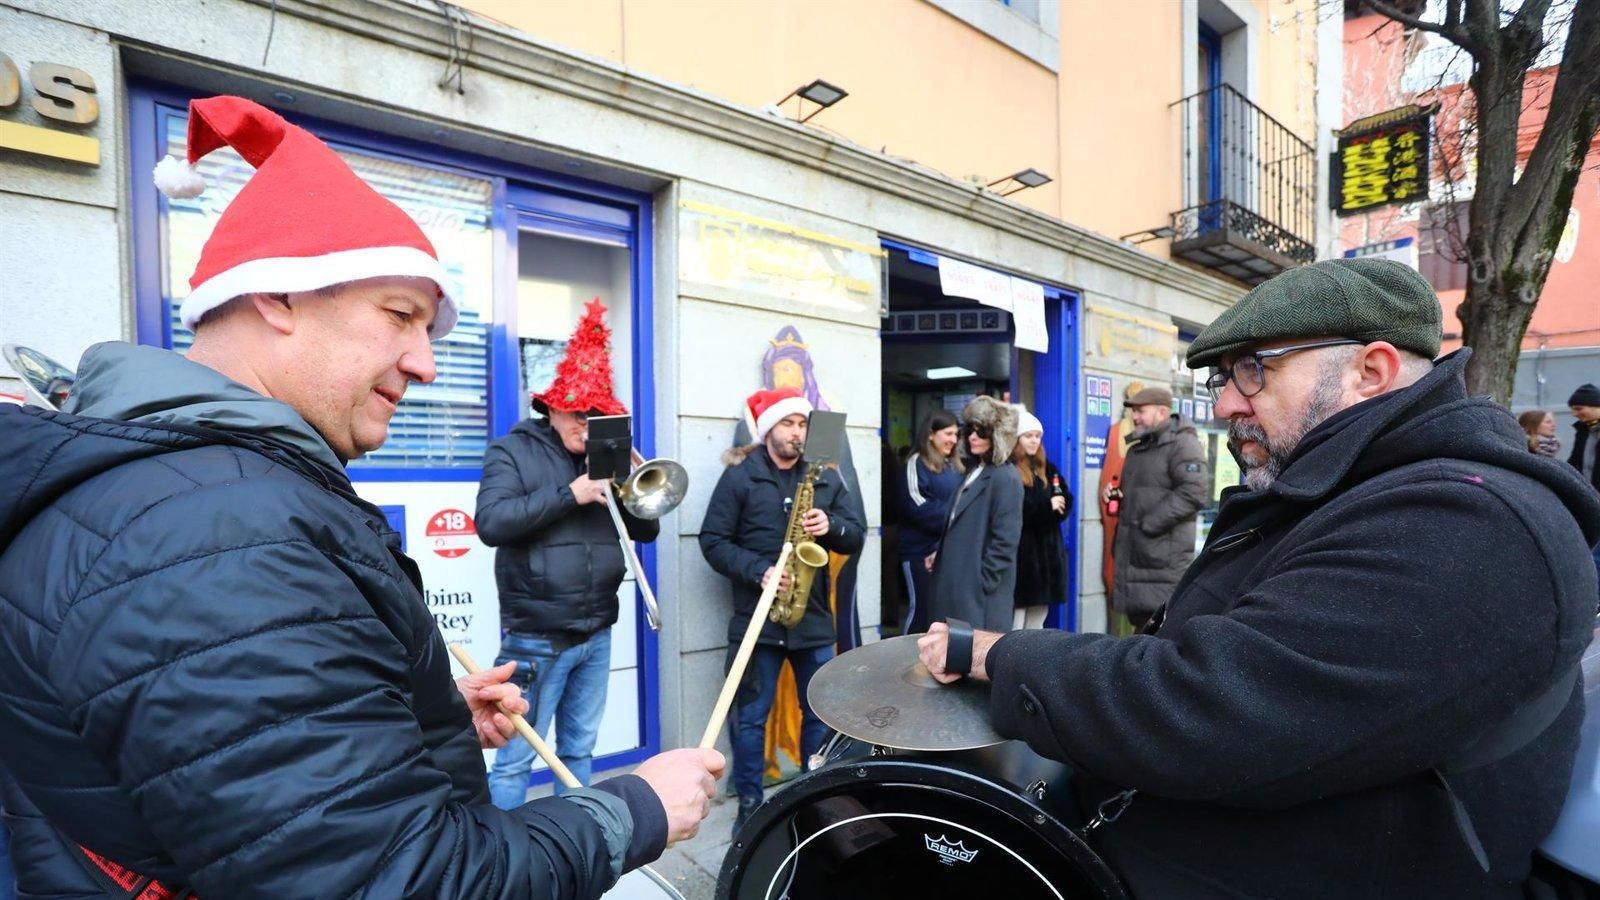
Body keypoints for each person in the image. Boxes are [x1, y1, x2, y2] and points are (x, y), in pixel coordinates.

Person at [0, 96, 722, 899]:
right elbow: (399, 880)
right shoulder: (217, 535)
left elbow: (255, 765)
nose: (426, 364)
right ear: (277, 295)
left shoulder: (199, 506)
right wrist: (635, 811)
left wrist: (420, 718)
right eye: (400, 317)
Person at [917, 257, 1599, 898]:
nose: (1226, 406)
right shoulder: (1356, 488)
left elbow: (1209, 708)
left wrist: (1001, 654)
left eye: (1253, 371)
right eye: (1223, 379)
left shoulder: (1464, 522)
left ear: (1372, 369)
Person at [476, 299, 658, 807]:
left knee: (578, 751)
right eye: (579, 414)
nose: (587, 424)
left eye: (597, 415)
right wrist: (569, 494)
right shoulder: (512, 450)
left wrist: (629, 486)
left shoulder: (605, 454)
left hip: (597, 630)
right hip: (536, 633)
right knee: (516, 755)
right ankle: (504, 866)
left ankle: (577, 846)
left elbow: (647, 533)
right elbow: (491, 523)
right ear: (552, 407)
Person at [699, 387, 865, 832]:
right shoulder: (740, 476)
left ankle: (815, 801)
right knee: (750, 719)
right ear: (768, 429)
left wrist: (833, 525)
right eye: (788, 424)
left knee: (819, 716)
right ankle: (750, 807)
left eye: (802, 424)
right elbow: (712, 541)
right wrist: (759, 571)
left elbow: (856, 535)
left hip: (811, 620)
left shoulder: (824, 476)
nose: (797, 432)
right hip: (757, 619)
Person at [1108, 386, 1208, 631]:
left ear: (1162, 412)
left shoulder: (1182, 443)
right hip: (1137, 559)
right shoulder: (1138, 448)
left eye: (1141, 411)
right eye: (1133, 412)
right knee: (1140, 634)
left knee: (1157, 636)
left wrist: (1149, 523)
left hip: (1161, 562)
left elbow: (1194, 492)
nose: (1135, 417)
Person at [927, 395, 1024, 632]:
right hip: (958, 587)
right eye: (970, 429)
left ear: (997, 435)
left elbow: (1005, 540)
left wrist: (982, 583)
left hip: (978, 598)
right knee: (952, 656)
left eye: (981, 431)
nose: (972, 436)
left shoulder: (1005, 476)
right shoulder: (975, 470)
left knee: (973, 661)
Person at [896, 409, 964, 633]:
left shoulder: (954, 467)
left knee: (942, 613)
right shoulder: (915, 464)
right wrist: (956, 516)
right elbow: (918, 507)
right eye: (948, 433)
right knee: (921, 610)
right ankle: (906, 660)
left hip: (947, 550)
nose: (953, 440)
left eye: (956, 434)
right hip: (919, 553)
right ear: (930, 435)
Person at [1011, 406, 1069, 630]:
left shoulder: (1048, 468)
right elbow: (1018, 510)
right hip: (1024, 556)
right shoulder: (1011, 470)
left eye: (1037, 436)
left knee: (1038, 622)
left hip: (1047, 557)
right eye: (1028, 436)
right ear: (1017, 439)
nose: (1034, 441)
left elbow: (1065, 496)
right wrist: (1048, 507)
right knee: (1016, 622)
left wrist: (1059, 505)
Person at [1568, 384, 1600, 606]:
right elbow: (1576, 462)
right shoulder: (1584, 430)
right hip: (1590, 498)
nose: (1575, 413)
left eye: (1579, 408)